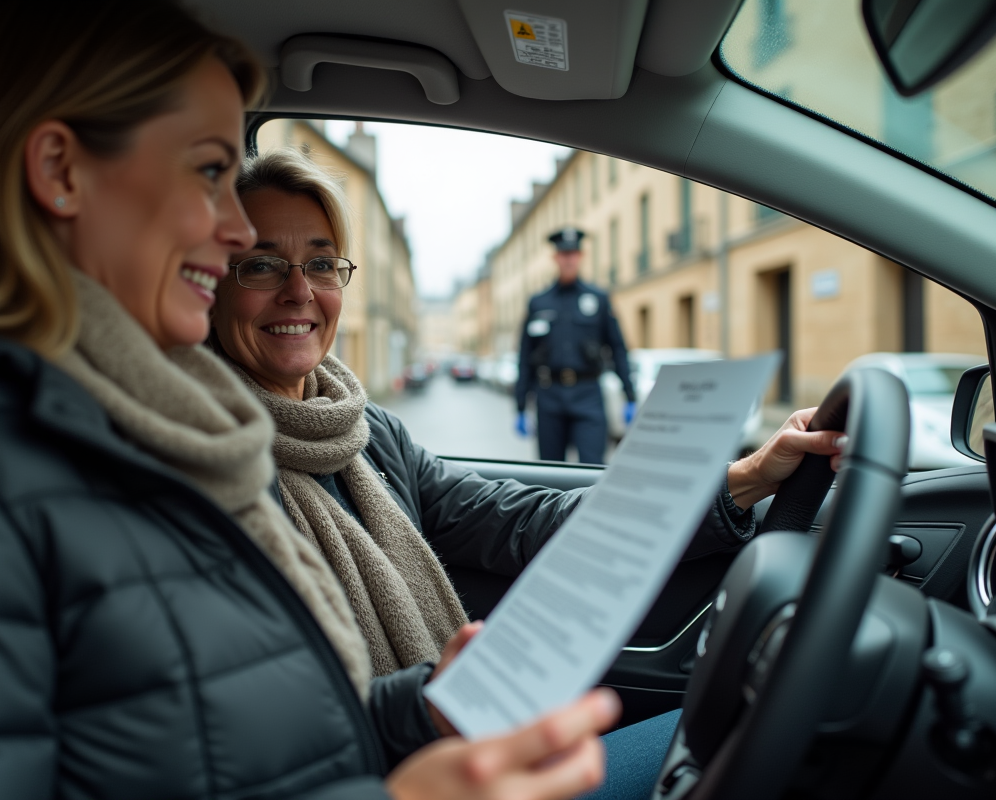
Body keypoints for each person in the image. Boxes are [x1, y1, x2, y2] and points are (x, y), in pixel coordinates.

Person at [0, 2, 626, 798]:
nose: (235, 233)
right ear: (59, 171)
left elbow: (229, 736)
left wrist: (419, 709)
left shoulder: (154, 421)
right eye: (209, 172)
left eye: (320, 261)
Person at [208, 149, 847, 799]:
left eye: (321, 263)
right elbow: (244, 737)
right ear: (210, 280)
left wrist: (749, 475)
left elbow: (521, 521)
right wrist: (427, 704)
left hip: (471, 755)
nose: (299, 290)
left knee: (737, 725)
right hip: (399, 778)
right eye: (261, 264)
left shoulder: (372, 434)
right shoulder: (206, 472)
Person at [515, 226, 634, 463]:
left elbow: (618, 348)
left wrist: (629, 395)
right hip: (549, 395)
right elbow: (525, 355)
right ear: (555, 257)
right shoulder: (539, 302)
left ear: (580, 256)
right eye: (563, 254)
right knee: (551, 473)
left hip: (588, 394)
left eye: (573, 254)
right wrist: (520, 405)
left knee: (592, 470)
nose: (568, 259)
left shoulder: (598, 298)